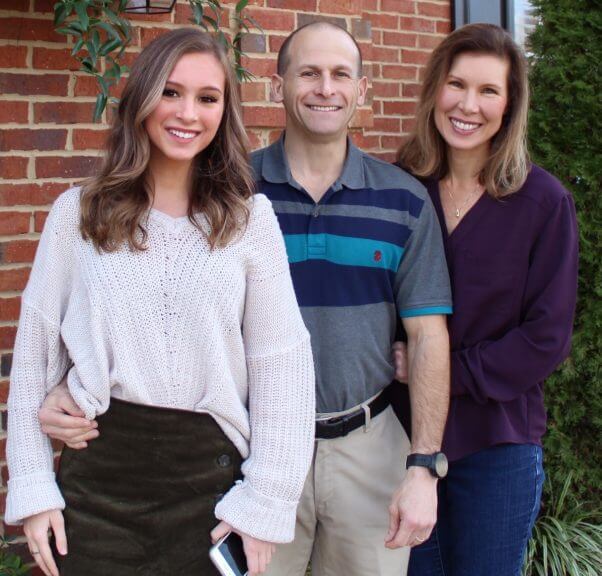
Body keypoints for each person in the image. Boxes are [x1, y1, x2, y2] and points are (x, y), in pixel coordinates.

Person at [37, 22, 453, 576]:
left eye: (339, 74)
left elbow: (404, 341)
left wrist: (422, 464)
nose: (325, 88)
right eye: (308, 72)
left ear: (362, 88)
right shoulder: (220, 191)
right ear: (277, 87)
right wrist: (71, 387)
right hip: (176, 460)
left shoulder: (378, 200)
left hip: (322, 450)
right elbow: (81, 328)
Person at [6, 28, 315, 576]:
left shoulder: (250, 225)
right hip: (100, 483)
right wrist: (34, 488)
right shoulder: (76, 216)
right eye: (170, 92)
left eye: (207, 97)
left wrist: (265, 502)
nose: (187, 113)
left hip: (213, 493)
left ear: (225, 111)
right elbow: (33, 359)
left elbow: (283, 367)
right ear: (142, 99)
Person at [394, 23, 578, 575]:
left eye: (488, 90)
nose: (468, 105)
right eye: (457, 85)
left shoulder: (542, 202)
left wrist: (442, 371)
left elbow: (545, 337)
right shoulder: (401, 187)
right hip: (401, 442)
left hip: (497, 442)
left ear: (509, 104)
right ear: (435, 91)